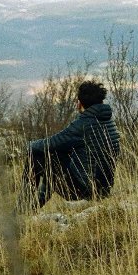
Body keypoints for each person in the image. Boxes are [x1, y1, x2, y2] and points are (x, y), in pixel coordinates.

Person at [18, 79, 121, 212]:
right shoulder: (108, 121)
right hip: (104, 188)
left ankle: (21, 210)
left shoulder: (83, 124)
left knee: (36, 156)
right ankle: (33, 207)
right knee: (55, 157)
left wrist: (26, 146)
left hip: (84, 190)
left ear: (80, 103)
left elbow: (51, 143)